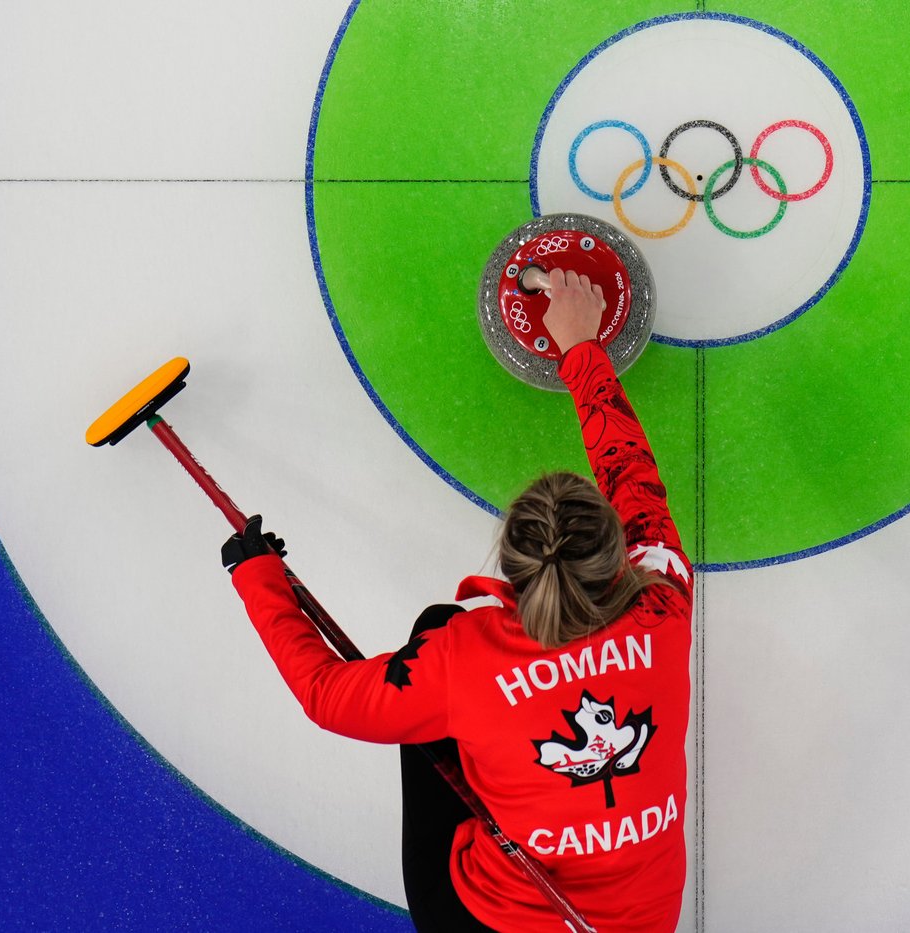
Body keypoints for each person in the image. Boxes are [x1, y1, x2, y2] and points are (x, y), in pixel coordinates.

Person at [221, 268, 694, 932]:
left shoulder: (462, 656)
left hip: (492, 919)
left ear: (512, 567)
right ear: (620, 550)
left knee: (433, 654)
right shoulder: (661, 604)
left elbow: (326, 695)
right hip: (638, 919)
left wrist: (258, 576)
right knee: (450, 683)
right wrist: (583, 349)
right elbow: (631, 473)